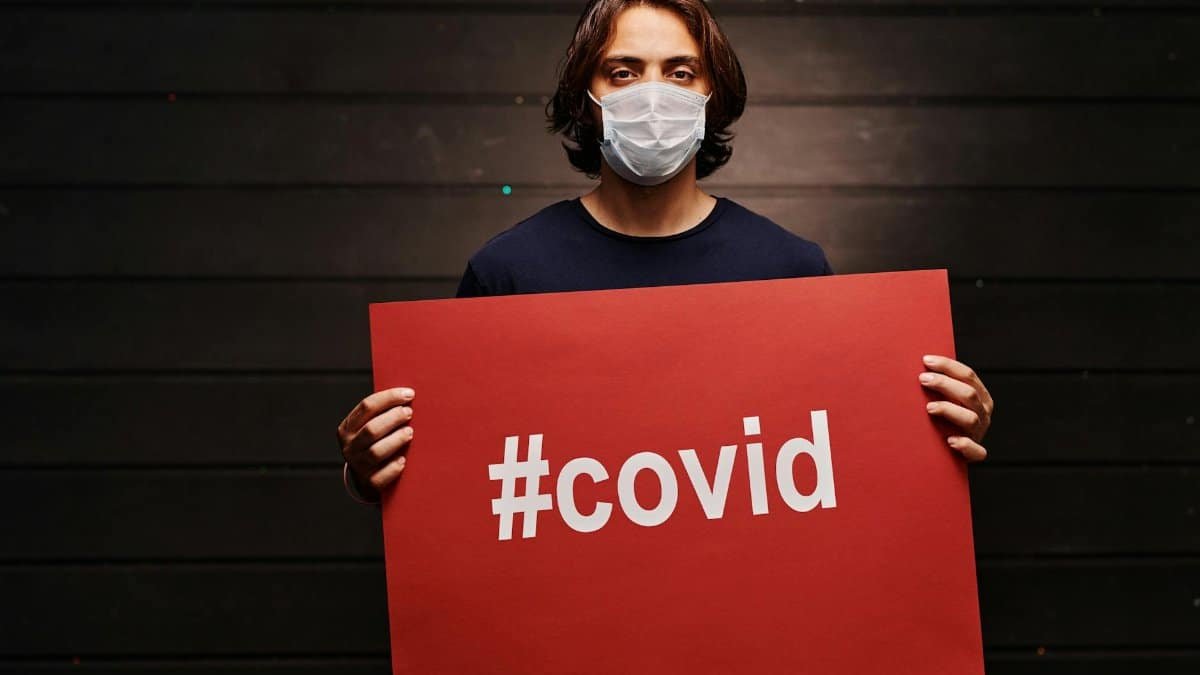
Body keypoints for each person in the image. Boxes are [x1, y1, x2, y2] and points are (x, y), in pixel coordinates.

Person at [337, 0, 994, 505]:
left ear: (711, 94)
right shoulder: (508, 272)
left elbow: (837, 470)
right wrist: (367, 472)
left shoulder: (790, 270)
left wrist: (936, 432)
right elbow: (463, 485)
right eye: (623, 72)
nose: (653, 95)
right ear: (586, 99)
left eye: (680, 72)